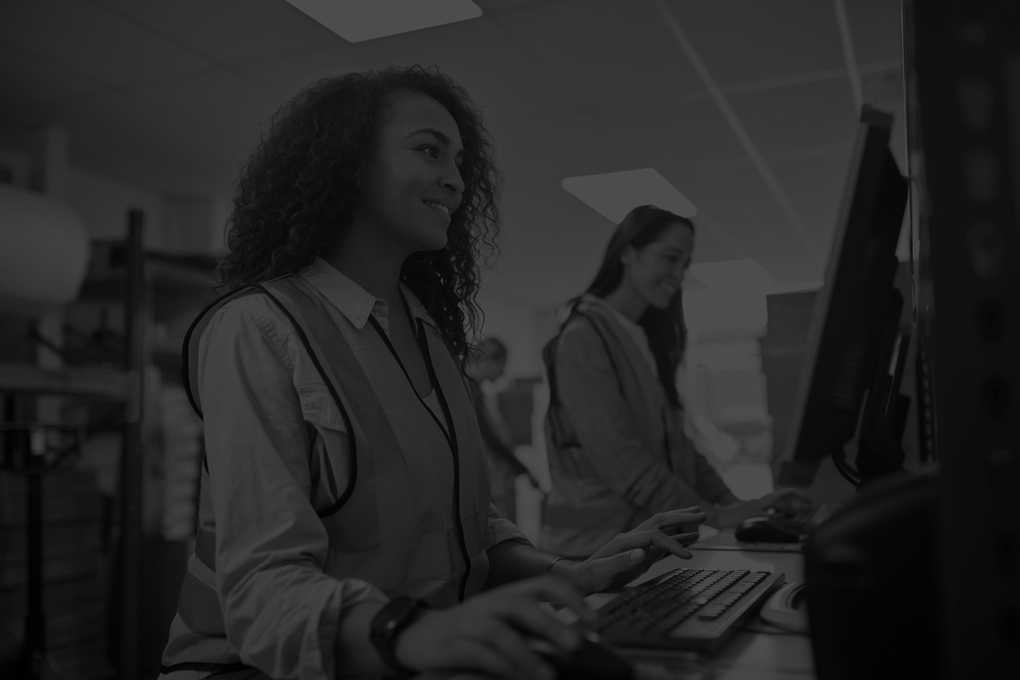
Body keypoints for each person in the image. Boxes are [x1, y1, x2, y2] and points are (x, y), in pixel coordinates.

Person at [158, 67, 707, 680]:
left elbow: (466, 522)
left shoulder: (429, 336)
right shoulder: (260, 328)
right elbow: (263, 592)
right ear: (351, 164)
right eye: (428, 150)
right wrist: (412, 633)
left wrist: (564, 575)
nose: (456, 178)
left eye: (460, 161)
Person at [540, 205, 807, 559]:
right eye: (670, 258)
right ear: (629, 253)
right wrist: (717, 515)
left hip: (646, 548)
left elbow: (678, 449)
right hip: (594, 554)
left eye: (685, 265)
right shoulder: (584, 338)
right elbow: (626, 465)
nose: (679, 274)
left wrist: (742, 506)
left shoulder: (641, 339)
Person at [465, 336, 542, 523]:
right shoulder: (469, 389)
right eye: (502, 365)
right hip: (485, 483)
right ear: (491, 360)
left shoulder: (478, 391)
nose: (502, 374)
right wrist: (523, 469)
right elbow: (490, 437)